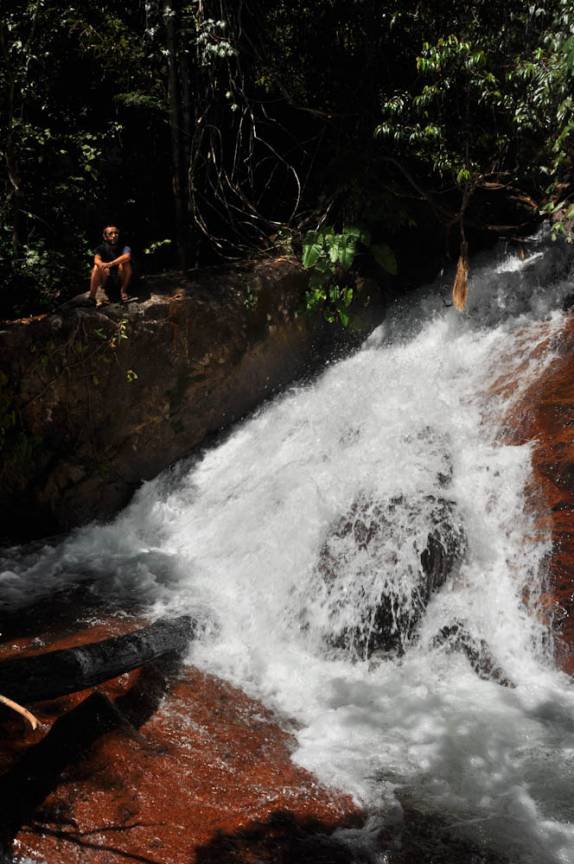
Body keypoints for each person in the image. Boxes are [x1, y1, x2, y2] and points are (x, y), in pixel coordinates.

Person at [89, 225, 132, 304]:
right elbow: (96, 260)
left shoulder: (124, 247)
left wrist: (110, 264)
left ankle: (123, 291)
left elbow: (127, 256)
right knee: (96, 267)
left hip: (120, 278)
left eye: (116, 233)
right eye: (110, 233)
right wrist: (102, 265)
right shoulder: (100, 248)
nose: (114, 235)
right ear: (105, 237)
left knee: (125, 263)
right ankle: (91, 297)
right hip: (107, 280)